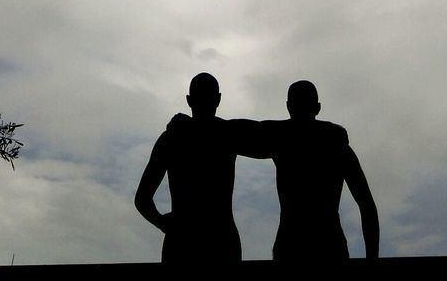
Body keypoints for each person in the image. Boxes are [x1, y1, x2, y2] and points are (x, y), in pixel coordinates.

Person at [134, 72, 262, 264]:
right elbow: (274, 136)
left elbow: (142, 200)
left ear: (189, 100)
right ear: (218, 99)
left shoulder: (172, 138)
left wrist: (163, 223)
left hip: (182, 243)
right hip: (221, 240)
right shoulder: (228, 134)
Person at [260, 80, 379, 263]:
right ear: (317, 107)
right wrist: (372, 259)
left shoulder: (280, 138)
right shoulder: (337, 145)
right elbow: (367, 205)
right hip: (328, 245)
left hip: (292, 245)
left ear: (288, 106)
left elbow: (367, 206)